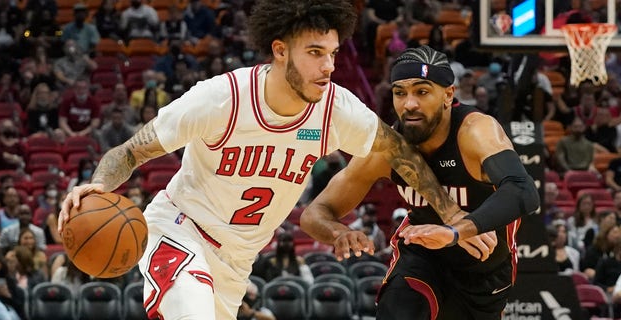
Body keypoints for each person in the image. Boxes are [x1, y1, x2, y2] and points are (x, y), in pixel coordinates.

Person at [58, 2, 468, 319]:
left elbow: (400, 152)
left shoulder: (337, 110)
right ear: (280, 51)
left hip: (238, 262)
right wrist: (98, 184)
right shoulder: (221, 98)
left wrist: (453, 214)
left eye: (332, 53)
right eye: (314, 52)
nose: (328, 66)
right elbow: (130, 150)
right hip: (182, 233)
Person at [301, 45, 539, 319]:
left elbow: (523, 191)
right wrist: (338, 232)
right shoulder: (387, 148)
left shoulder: (475, 131)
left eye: (422, 92)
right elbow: (314, 213)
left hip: (484, 271)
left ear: (448, 94)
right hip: (422, 257)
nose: (409, 104)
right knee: (399, 308)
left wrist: (456, 231)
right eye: (400, 93)